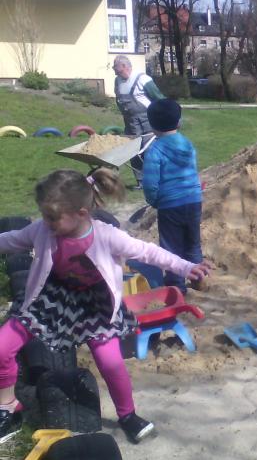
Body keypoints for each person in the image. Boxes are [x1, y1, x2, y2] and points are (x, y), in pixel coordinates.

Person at [0, 169, 211, 445]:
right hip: (51, 298)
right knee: (3, 346)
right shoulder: (42, 229)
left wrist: (185, 266)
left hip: (95, 304)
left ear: (81, 213)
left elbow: (148, 251)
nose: (45, 222)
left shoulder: (107, 236)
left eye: (52, 217)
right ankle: (8, 406)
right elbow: (12, 239)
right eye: (44, 215)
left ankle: (128, 415)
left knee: (111, 363)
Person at [142, 99, 204, 294]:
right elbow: (193, 171)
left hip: (170, 205)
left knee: (172, 248)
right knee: (193, 243)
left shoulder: (155, 150)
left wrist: (154, 201)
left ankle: (176, 288)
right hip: (194, 200)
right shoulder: (187, 144)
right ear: (179, 122)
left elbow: (150, 183)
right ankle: (199, 279)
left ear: (152, 125)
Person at [112, 55, 165, 188]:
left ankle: (155, 180)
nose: (115, 72)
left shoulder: (143, 79)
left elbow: (159, 98)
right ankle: (140, 181)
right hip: (130, 122)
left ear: (125, 66)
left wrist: (165, 115)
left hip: (147, 120)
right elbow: (118, 99)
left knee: (150, 151)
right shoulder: (117, 81)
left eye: (117, 69)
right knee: (133, 151)